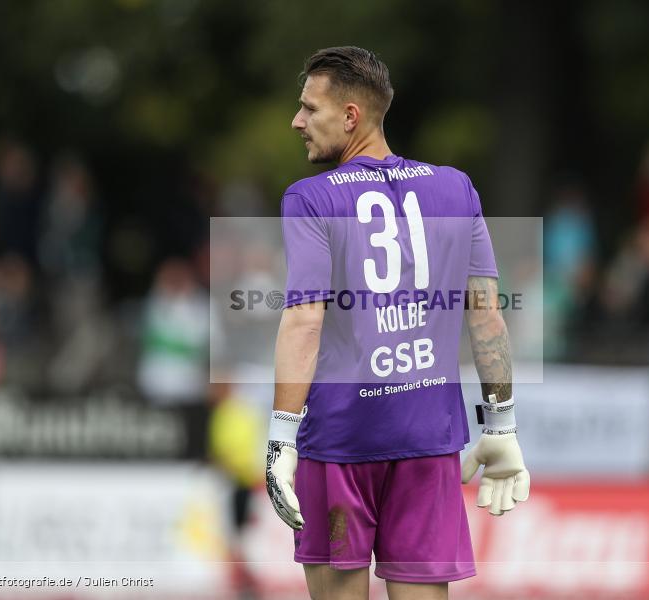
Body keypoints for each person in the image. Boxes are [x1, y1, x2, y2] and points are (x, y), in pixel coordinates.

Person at [264, 47, 529, 600]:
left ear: (351, 116)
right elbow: (486, 314)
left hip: (340, 440)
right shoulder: (457, 188)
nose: (298, 121)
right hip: (428, 438)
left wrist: (280, 438)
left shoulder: (310, 199)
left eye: (310, 109)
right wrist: (501, 424)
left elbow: (304, 320)